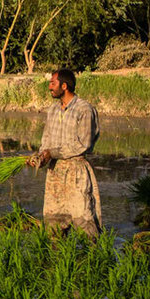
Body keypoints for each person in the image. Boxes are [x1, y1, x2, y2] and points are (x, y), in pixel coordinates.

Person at [28, 68, 101, 237]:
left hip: (76, 171)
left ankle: (94, 258)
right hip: (55, 173)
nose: (49, 87)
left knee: (84, 220)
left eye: (52, 83)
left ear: (64, 86)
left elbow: (83, 144)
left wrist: (51, 153)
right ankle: (57, 260)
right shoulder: (53, 110)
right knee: (53, 223)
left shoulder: (84, 109)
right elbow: (46, 140)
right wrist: (40, 157)